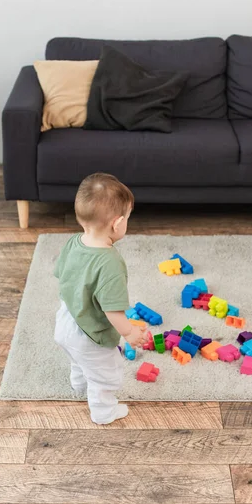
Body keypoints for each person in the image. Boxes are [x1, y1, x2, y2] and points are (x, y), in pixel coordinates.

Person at [54, 172, 147, 424]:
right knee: (105, 375)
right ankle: (104, 412)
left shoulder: (73, 242)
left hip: (65, 322)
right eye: (127, 218)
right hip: (91, 335)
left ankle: (78, 385)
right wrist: (129, 333)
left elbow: (61, 275)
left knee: (78, 360)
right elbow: (112, 310)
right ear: (117, 224)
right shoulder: (110, 263)